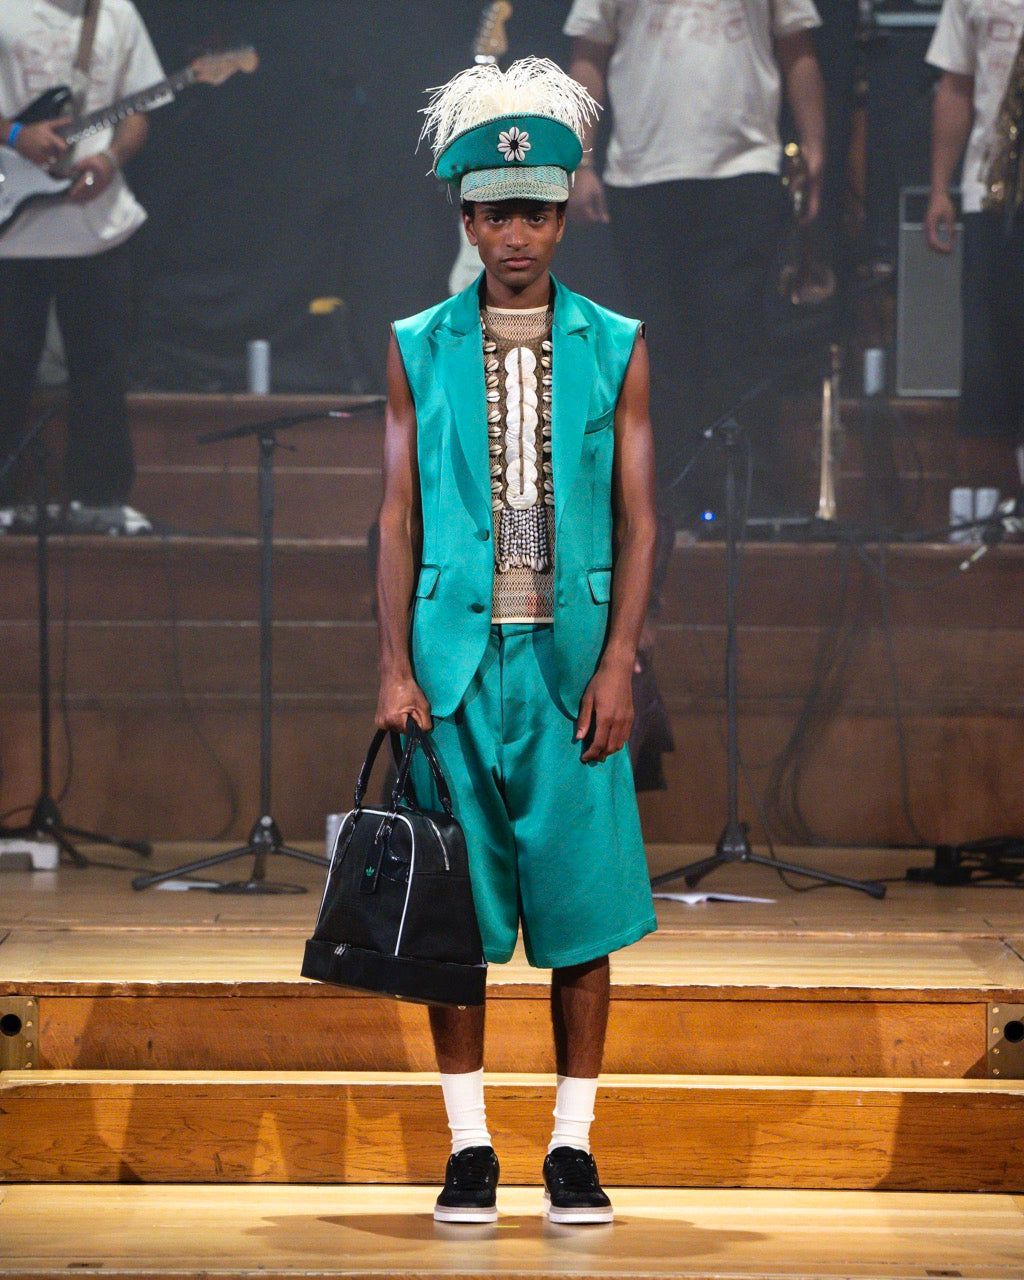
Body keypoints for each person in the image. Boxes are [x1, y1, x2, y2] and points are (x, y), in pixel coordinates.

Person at [375, 57, 658, 1225]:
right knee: (454, 917)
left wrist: (619, 658)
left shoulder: (615, 341)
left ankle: (572, 1146)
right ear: (466, 220)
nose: (515, 234)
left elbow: (640, 519)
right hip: (453, 665)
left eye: (535, 211)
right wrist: (394, 665)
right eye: (494, 214)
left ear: (563, 213)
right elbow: (397, 513)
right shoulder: (417, 342)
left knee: (582, 913)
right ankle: (469, 1145)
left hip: (567, 666)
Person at [563, 0, 827, 521]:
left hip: (743, 166)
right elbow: (588, 55)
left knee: (740, 336)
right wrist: (581, 158)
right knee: (658, 345)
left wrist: (814, 144)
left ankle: (744, 493)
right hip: (643, 172)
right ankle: (669, 497)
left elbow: (797, 47)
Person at [0, 0, 165, 513]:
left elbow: (135, 112)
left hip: (98, 227)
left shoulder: (116, 12)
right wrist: (15, 134)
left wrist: (111, 159)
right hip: (10, 227)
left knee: (101, 370)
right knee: (5, 369)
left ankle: (100, 501)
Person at [925, 0, 1024, 468]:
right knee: (995, 357)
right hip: (992, 193)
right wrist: (939, 190)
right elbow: (955, 85)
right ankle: (1006, 493)